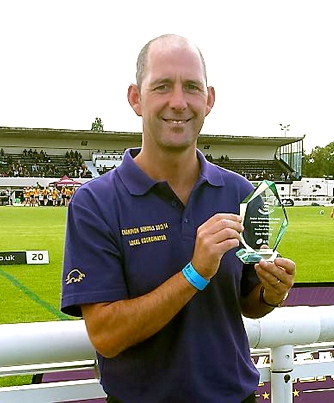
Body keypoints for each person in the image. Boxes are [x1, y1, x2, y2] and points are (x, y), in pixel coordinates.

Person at [61, 34, 296, 403]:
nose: (178, 102)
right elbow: (107, 336)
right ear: (136, 99)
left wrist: (271, 291)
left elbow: (248, 303)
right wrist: (195, 272)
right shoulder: (95, 202)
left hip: (235, 396)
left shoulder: (241, 194)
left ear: (209, 99)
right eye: (162, 87)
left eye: (191, 87)